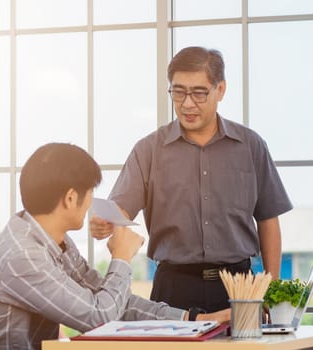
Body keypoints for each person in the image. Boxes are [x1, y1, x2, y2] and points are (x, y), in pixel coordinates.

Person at [0, 143, 229, 350]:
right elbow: (100, 318)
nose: (91, 203)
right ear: (70, 197)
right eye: (90, 192)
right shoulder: (22, 256)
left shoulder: (53, 242)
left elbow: (111, 300)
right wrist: (121, 257)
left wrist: (196, 319)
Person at [90, 46, 293, 314]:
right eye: (178, 91)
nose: (187, 103)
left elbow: (268, 219)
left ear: (220, 90)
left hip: (238, 286)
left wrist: (271, 288)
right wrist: (103, 222)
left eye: (199, 92)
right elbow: (121, 208)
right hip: (173, 287)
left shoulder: (250, 146)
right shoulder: (149, 149)